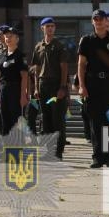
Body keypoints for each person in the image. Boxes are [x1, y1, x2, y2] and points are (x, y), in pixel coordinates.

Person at [78, 9, 109, 169]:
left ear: (107, 22)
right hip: (93, 85)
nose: (99, 22)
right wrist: (82, 86)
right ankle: (98, 157)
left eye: (102, 19)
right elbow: (81, 65)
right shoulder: (86, 40)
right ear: (92, 22)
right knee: (96, 123)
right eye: (96, 19)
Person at [31, 17, 71, 157]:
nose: (50, 28)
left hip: (56, 85)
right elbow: (36, 69)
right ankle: (49, 150)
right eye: (47, 26)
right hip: (43, 85)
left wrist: (63, 87)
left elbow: (64, 67)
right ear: (42, 28)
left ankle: (58, 152)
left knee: (57, 120)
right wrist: (36, 87)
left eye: (52, 26)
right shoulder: (38, 46)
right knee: (46, 119)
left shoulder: (59, 46)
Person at [0, 28, 30, 135]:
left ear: (17, 39)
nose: (8, 39)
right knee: (4, 119)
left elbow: (24, 77)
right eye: (6, 36)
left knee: (16, 120)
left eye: (11, 36)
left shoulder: (20, 56)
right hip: (3, 90)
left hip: (15, 90)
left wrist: (24, 95)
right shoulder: (1, 55)